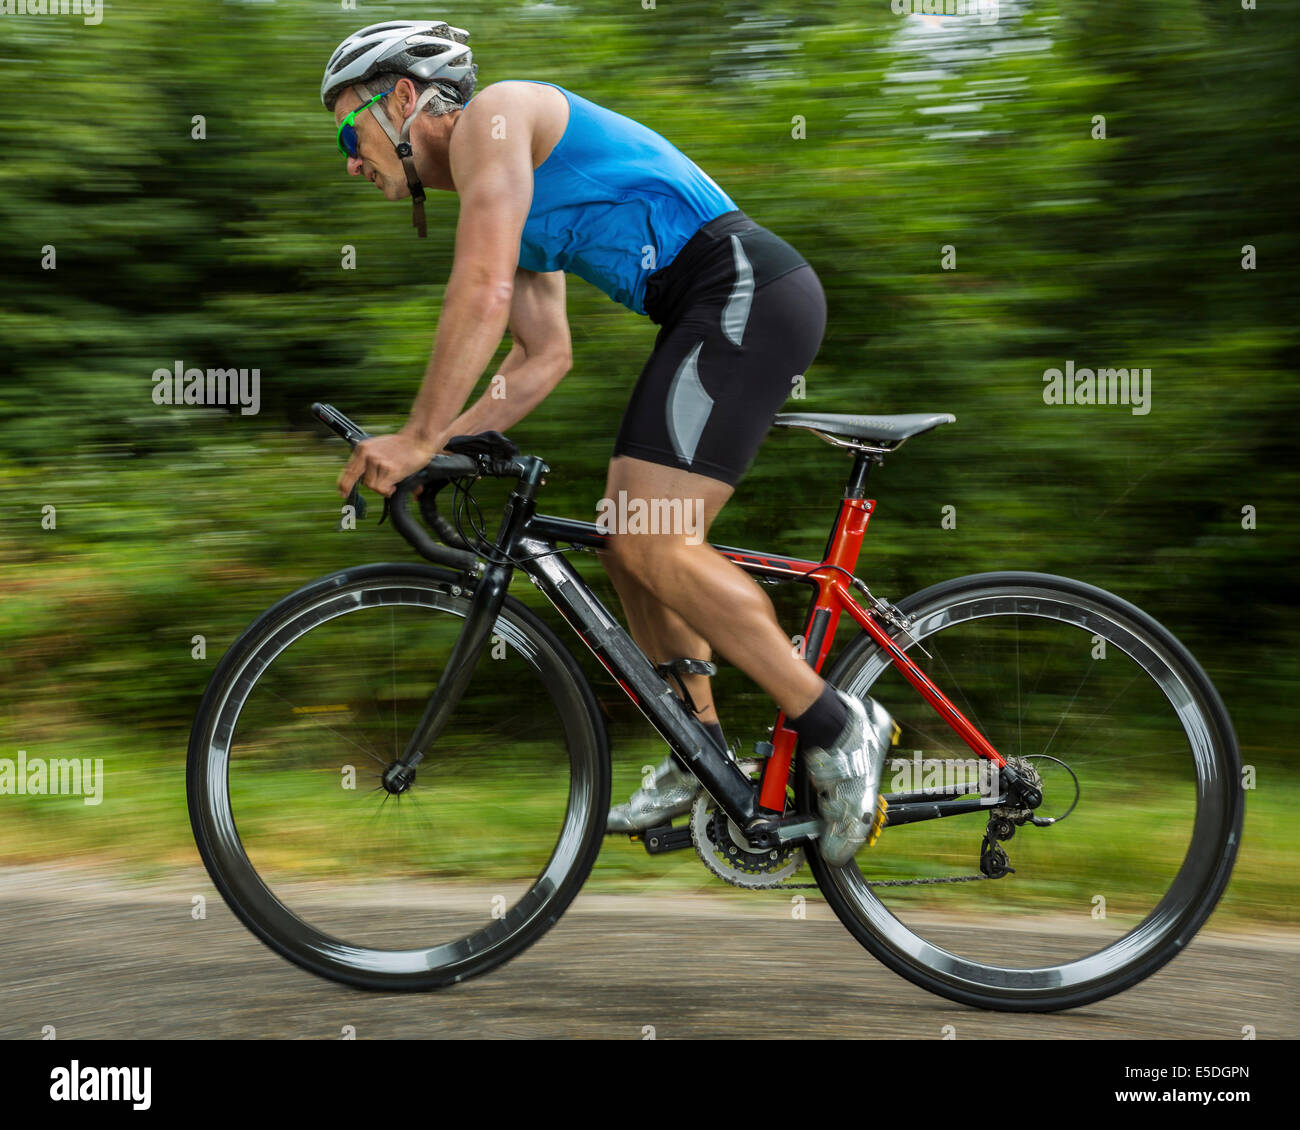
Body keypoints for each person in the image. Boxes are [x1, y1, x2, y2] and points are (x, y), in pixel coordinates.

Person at [324, 20, 893, 864]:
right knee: (629, 547)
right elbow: (541, 355)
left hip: (742, 290)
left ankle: (840, 727)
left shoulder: (498, 120)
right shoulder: (501, 187)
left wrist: (413, 436)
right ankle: (698, 751)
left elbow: (479, 292)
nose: (347, 158)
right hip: (713, 308)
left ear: (404, 99)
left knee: (654, 539)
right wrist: (445, 442)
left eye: (348, 129)